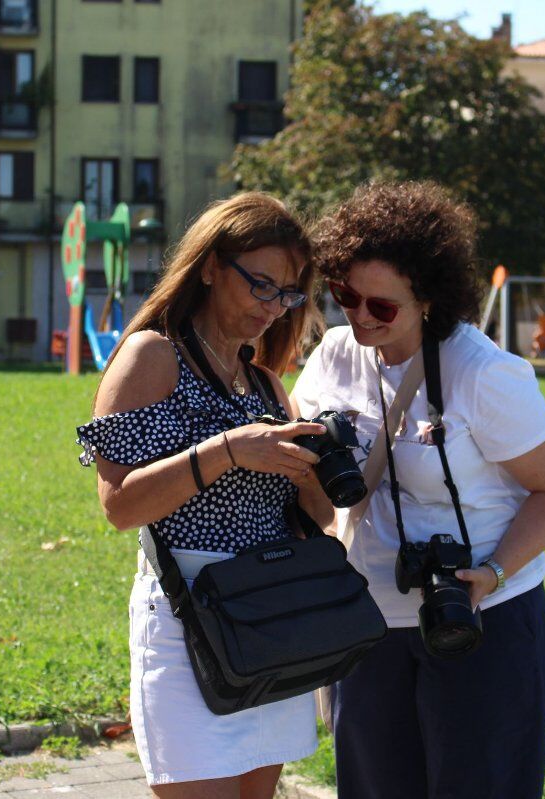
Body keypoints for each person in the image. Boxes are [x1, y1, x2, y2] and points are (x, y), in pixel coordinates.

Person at [291, 182, 545, 799]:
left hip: (481, 620)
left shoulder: (482, 372)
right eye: (345, 296)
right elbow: (314, 491)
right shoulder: (334, 357)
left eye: (383, 306)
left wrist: (496, 572)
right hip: (368, 625)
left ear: (429, 299)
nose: (359, 316)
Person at [76, 192, 331, 799]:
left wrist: (309, 468)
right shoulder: (155, 357)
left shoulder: (265, 381)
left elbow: (319, 516)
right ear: (212, 266)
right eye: (260, 285)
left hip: (270, 617)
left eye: (288, 293)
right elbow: (120, 506)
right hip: (189, 616)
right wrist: (226, 452)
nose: (273, 307)